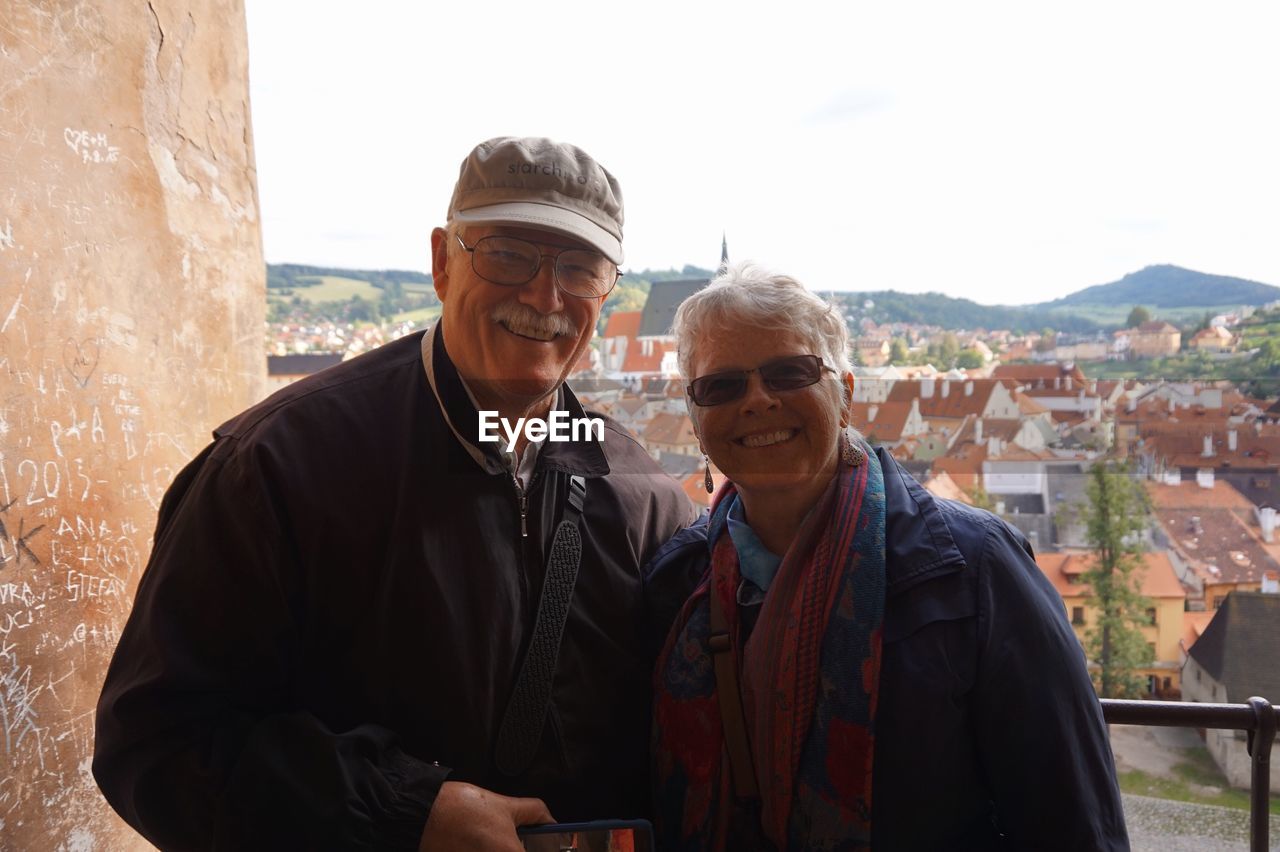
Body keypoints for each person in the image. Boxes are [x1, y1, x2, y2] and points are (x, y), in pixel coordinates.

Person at [94, 137, 695, 851]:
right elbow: (158, 744)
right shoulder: (278, 467)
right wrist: (406, 814)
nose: (547, 295)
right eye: (507, 253)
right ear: (443, 261)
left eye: (580, 267)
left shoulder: (644, 495)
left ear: (608, 289)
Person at [645, 263, 1130, 850]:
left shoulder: (973, 569)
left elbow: (1073, 823)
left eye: (789, 372)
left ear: (845, 392)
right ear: (695, 420)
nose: (758, 401)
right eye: (721, 386)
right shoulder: (677, 582)